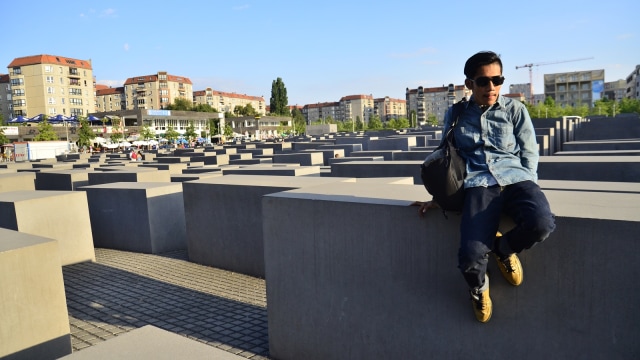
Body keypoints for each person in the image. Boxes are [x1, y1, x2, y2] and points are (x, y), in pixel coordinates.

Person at [416, 51, 555, 323]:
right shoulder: (456, 113)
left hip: (516, 179)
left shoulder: (515, 110)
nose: (491, 87)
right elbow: (446, 155)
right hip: (478, 184)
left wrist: (530, 189)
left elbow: (529, 152)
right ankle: (479, 288)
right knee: (470, 256)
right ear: (470, 84)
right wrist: (438, 197)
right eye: (483, 81)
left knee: (542, 223)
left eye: (497, 79)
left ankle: (504, 250)